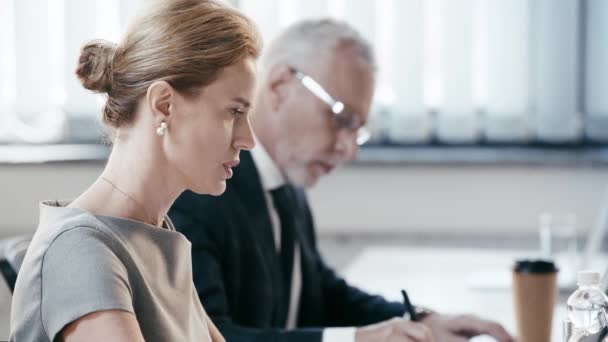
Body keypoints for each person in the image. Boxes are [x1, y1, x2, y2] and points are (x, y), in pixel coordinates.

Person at [169, 18, 515, 342]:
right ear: (278, 87)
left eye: (357, 130)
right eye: (341, 118)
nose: (349, 149)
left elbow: (319, 291)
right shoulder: (202, 189)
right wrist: (356, 339)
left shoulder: (285, 184)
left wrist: (420, 320)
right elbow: (210, 335)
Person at [9, 1, 260, 341]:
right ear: (163, 105)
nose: (249, 140)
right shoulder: (80, 250)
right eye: (234, 112)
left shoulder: (159, 237)